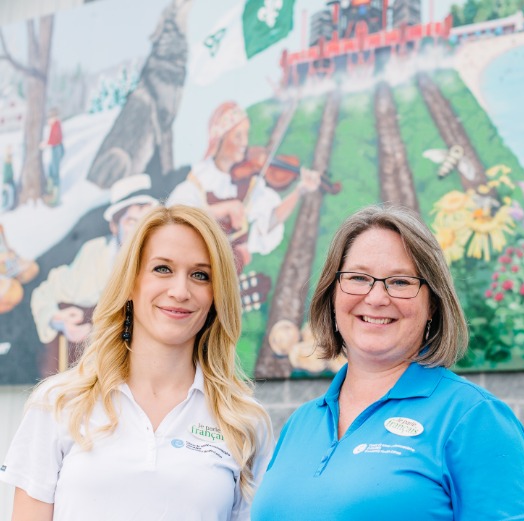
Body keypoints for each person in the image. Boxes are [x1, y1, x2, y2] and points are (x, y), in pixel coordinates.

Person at [252, 204, 524, 520]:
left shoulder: (474, 418)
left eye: (401, 282)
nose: (376, 298)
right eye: (358, 278)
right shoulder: (301, 422)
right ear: (333, 295)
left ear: (432, 302)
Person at [1, 205, 273, 520]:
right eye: (162, 269)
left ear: (216, 295)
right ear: (131, 281)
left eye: (200, 275)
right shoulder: (59, 404)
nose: (180, 291)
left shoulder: (243, 422)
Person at [167, 101, 321, 271]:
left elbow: (270, 220)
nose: (245, 143)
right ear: (220, 138)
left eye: (246, 135)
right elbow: (175, 220)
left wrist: (300, 190)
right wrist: (223, 209)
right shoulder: (197, 182)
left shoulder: (250, 185)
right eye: (238, 136)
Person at [30, 173, 157, 375]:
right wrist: (58, 319)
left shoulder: (165, 261)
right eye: (131, 222)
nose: (140, 231)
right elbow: (45, 292)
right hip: (93, 375)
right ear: (114, 226)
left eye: (147, 222)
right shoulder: (94, 255)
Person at [40, 107, 64, 205]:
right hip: (55, 148)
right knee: (51, 170)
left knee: (54, 172)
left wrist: (46, 144)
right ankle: (51, 192)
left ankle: (55, 198)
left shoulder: (56, 125)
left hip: (56, 148)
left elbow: (55, 139)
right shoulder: (54, 125)